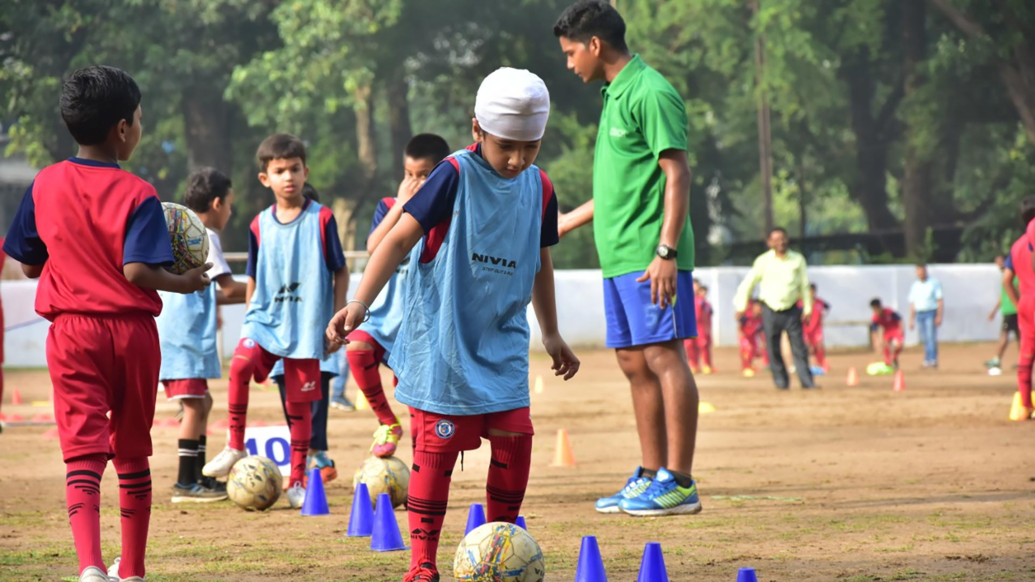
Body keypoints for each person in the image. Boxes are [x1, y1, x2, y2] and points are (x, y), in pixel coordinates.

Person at [327, 67, 579, 582]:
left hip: (504, 344)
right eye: (506, 145)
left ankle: (499, 554)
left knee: (516, 441)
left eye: (530, 146)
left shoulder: (541, 186)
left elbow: (541, 260)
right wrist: (359, 303)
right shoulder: (453, 175)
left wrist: (551, 332)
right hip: (443, 346)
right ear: (477, 130)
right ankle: (422, 564)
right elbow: (396, 240)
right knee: (435, 454)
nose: (518, 159)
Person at [2, 65, 211, 582]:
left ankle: (91, 566)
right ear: (122, 128)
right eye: (139, 119)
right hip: (133, 335)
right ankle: (133, 568)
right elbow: (138, 270)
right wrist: (185, 283)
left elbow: (28, 263)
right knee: (132, 446)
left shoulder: (44, 182)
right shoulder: (139, 193)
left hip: (72, 334)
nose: (140, 127)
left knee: (84, 451)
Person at [553, 0, 702, 517]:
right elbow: (621, 186)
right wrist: (568, 221)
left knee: (664, 356)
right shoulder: (614, 95)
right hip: (617, 258)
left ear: (595, 45)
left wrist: (665, 251)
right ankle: (649, 473)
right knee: (633, 361)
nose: (569, 62)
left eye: (571, 52)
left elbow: (676, 174)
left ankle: (679, 481)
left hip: (649, 254)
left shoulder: (652, 91)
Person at [203, 134, 348, 510]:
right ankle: (235, 444)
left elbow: (340, 271)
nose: (289, 177)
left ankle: (297, 479)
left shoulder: (323, 218)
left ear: (305, 172)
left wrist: (336, 319)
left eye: (295, 169)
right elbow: (253, 275)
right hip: (264, 321)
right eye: (279, 170)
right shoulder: (257, 225)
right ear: (265, 178)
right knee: (238, 367)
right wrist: (250, 314)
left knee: (299, 409)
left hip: (305, 327)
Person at [346, 133, 451, 458]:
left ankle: (423, 460)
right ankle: (387, 422)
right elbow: (375, 246)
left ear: (442, 175)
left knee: (415, 401)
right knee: (358, 347)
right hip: (383, 316)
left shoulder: (448, 212)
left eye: (424, 175)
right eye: (409, 174)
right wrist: (403, 206)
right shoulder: (389, 207)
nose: (415, 182)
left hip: (419, 323)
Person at [155, 168, 247, 503]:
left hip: (180, 335)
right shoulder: (204, 234)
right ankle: (185, 483)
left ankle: (200, 477)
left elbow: (214, 291)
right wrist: (268, 286)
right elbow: (230, 287)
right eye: (230, 206)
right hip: (184, 338)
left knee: (202, 402)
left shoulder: (181, 229)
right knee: (194, 405)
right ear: (218, 202)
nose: (230, 213)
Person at [269, 183, 347, 483]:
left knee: (315, 407)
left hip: (314, 343)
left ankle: (318, 457)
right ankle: (304, 461)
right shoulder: (271, 234)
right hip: (281, 343)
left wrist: (335, 321)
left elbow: (339, 271)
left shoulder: (322, 231)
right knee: (290, 404)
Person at [733, 227, 816, 389]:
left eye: (783, 238)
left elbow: (805, 286)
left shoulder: (797, 260)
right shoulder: (763, 261)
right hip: (770, 310)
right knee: (772, 348)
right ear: (770, 242)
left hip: (792, 309)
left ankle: (807, 382)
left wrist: (808, 309)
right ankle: (781, 382)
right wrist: (741, 306)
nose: (780, 242)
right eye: (776, 239)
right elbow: (748, 283)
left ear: (787, 240)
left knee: (799, 347)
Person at [1003, 196, 1035, 421]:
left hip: (1026, 302)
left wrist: (1018, 305)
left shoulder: (1016, 246)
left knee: (1026, 355)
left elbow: (1006, 280)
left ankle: (1025, 406)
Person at [986, 254, 1018, 375]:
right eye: (997, 262)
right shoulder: (1006, 276)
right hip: (1010, 310)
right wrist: (994, 311)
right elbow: (1002, 296)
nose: (999, 265)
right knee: (1019, 336)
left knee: (1005, 335)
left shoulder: (1012, 275)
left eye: (1000, 262)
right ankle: (1022, 361)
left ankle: (997, 359)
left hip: (1013, 310)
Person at [908, 264, 944, 369]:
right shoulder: (915, 285)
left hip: (930, 312)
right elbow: (913, 304)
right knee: (924, 338)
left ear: (925, 271)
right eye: (918, 271)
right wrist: (911, 319)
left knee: (930, 337)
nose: (920, 273)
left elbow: (940, 300)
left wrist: (939, 315)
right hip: (920, 313)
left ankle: (932, 359)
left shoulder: (934, 283)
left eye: (922, 270)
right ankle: (927, 359)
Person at [685, 283, 714, 374]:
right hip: (691, 326)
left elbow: (708, 315)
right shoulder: (688, 300)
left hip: (701, 327)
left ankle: (707, 365)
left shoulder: (704, 303)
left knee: (704, 345)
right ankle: (693, 365)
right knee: (690, 346)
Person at [802, 283, 830, 373]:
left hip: (817, 329)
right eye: (809, 292)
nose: (811, 293)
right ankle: (805, 365)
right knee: (806, 347)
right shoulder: (803, 303)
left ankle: (820, 364)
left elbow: (828, 307)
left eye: (812, 291)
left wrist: (823, 316)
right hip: (806, 328)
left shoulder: (819, 302)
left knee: (819, 346)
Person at [869, 299, 904, 369]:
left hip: (896, 329)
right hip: (887, 331)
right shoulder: (875, 318)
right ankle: (888, 362)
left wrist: (901, 330)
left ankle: (894, 356)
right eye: (874, 309)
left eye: (877, 309)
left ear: (880, 307)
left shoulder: (889, 312)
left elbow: (899, 320)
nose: (876, 311)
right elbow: (874, 332)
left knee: (899, 345)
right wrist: (876, 342)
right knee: (885, 345)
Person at [738, 300, 767, 377]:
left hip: (753, 337)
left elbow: (760, 331)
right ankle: (746, 368)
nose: (759, 309)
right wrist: (741, 336)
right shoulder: (747, 317)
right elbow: (740, 326)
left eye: (760, 308)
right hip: (745, 337)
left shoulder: (760, 319)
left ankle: (750, 365)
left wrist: (763, 342)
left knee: (755, 352)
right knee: (747, 350)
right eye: (757, 307)